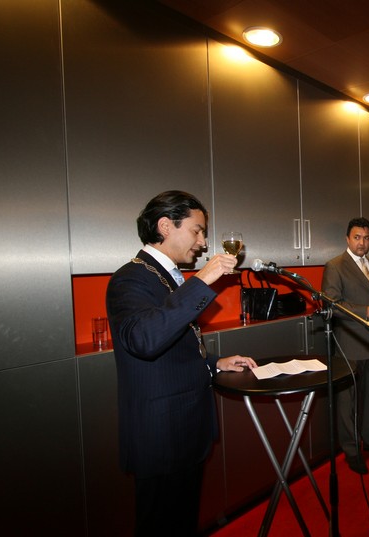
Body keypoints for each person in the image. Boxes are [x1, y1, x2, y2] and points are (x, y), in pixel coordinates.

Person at [106, 191, 257, 537]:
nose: (203, 243)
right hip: (161, 436)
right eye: (197, 231)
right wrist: (202, 281)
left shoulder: (168, 276)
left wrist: (215, 363)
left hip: (184, 431)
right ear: (165, 226)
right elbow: (144, 340)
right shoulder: (130, 278)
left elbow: (174, 346)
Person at [321, 217, 369, 474]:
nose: (362, 243)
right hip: (350, 342)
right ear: (347, 238)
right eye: (357, 237)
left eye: (366, 238)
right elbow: (332, 305)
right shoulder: (335, 266)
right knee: (348, 401)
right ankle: (352, 449)